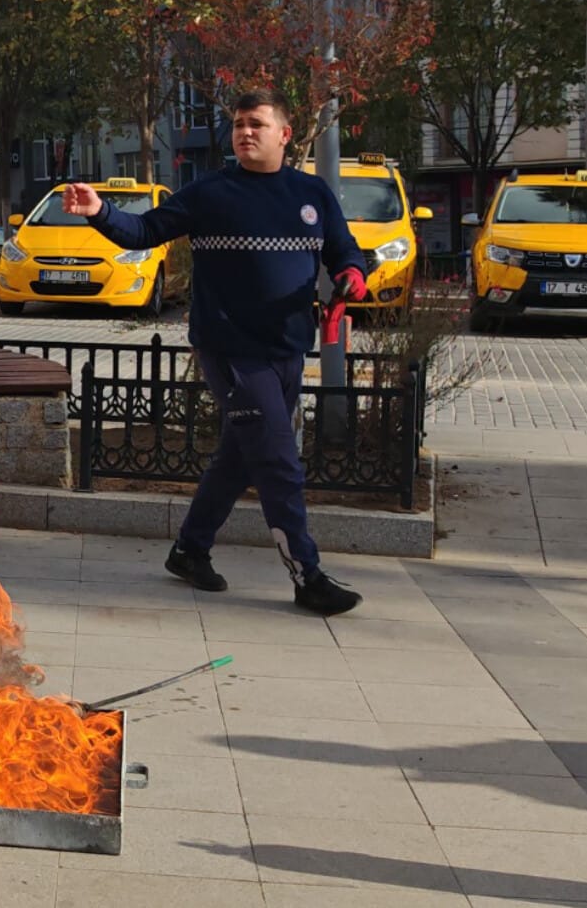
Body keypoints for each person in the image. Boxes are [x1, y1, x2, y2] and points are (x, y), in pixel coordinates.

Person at [63, 89, 369, 616]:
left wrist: (352, 275)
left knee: (237, 458)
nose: (245, 133)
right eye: (238, 125)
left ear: (284, 135)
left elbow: (344, 249)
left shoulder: (312, 193)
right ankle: (307, 576)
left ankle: (189, 548)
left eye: (256, 124)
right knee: (277, 461)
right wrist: (99, 212)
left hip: (288, 348)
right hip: (229, 349)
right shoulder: (210, 192)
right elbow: (144, 231)